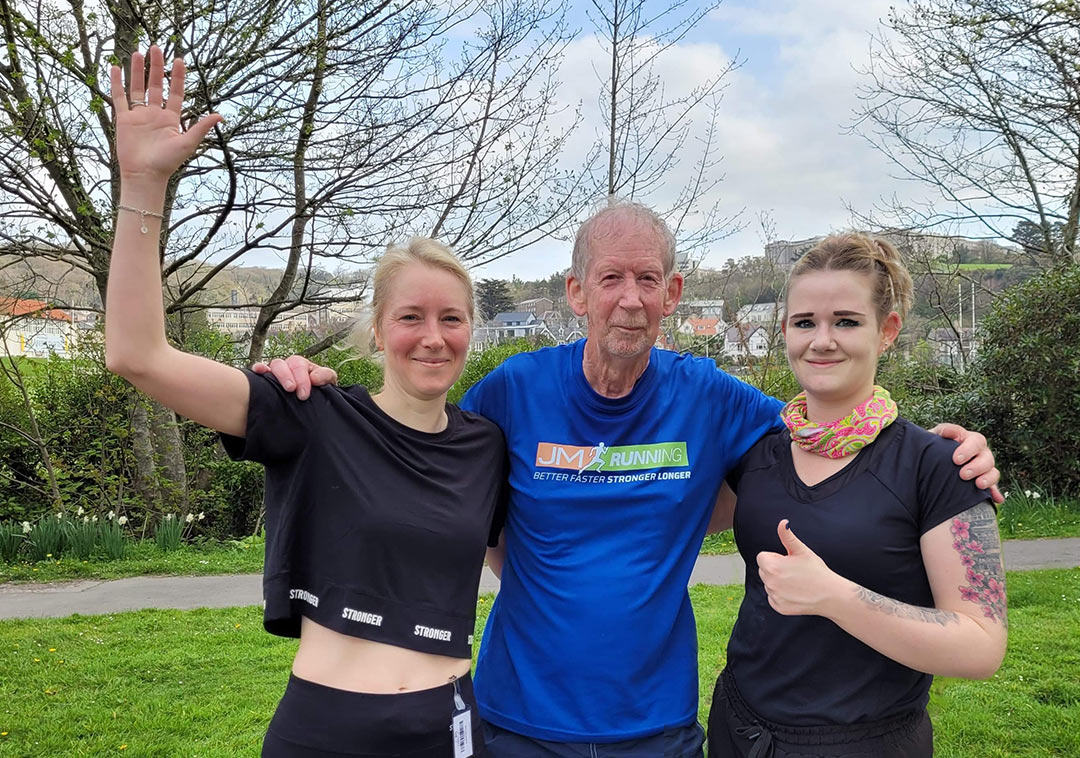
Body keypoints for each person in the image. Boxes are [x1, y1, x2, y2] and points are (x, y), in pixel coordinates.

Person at [264, 201, 1001, 757]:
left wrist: (950, 452)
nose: (629, 297)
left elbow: (824, 428)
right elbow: (429, 463)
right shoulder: (511, 391)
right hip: (517, 719)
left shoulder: (715, 397)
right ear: (576, 291)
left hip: (659, 726)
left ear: (673, 292)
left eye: (647, 279)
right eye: (610, 278)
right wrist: (317, 394)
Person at [106, 47, 504, 757]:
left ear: (471, 330)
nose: (433, 338)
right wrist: (143, 184)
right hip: (328, 733)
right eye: (411, 317)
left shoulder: (486, 446)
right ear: (378, 330)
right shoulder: (310, 413)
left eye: (452, 318)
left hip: (450, 728)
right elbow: (138, 356)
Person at [706, 234, 1007, 757]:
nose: (822, 340)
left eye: (845, 320)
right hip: (739, 728)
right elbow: (668, 512)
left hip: (864, 741)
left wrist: (835, 597)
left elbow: (981, 645)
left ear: (887, 331)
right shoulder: (757, 454)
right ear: (785, 332)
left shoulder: (938, 466)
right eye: (805, 323)